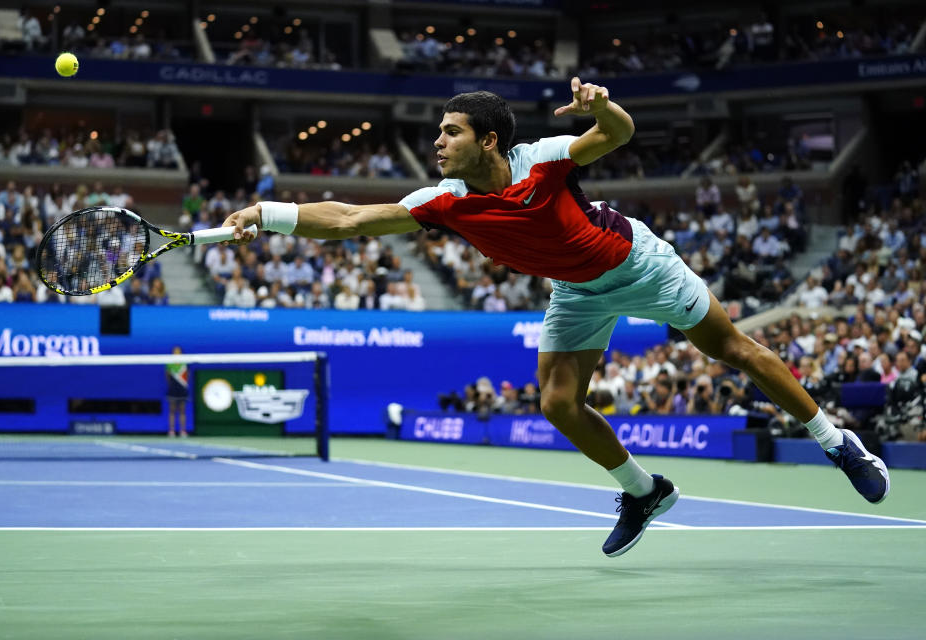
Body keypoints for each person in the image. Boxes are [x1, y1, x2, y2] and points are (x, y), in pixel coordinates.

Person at [222, 78, 890, 557]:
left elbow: (615, 136)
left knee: (732, 349)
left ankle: (839, 443)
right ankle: (645, 490)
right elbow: (353, 220)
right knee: (558, 404)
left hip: (638, 265)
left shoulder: (541, 160)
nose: (438, 142)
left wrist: (606, 106)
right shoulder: (446, 199)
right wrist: (267, 215)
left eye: (450, 132)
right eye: (439, 132)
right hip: (574, 290)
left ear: (488, 139)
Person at [165, 346, 189, 437]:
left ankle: (183, 431)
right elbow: (167, 375)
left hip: (182, 388)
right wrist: (172, 385)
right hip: (173, 389)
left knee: (182, 410)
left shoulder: (185, 362)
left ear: (181, 352)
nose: (177, 352)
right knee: (172, 410)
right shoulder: (169, 363)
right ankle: (171, 431)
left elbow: (187, 375)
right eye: (175, 351)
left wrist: (183, 385)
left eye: (178, 351)